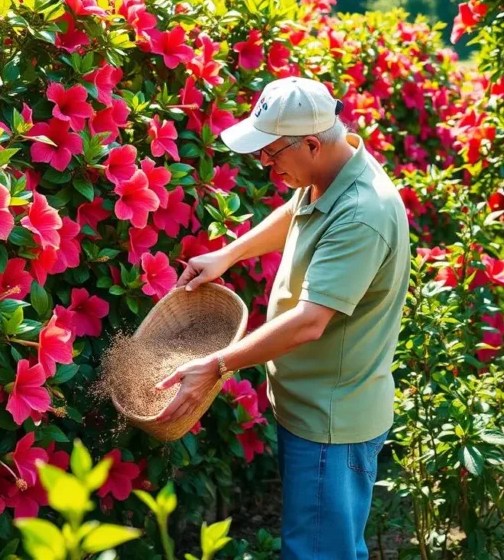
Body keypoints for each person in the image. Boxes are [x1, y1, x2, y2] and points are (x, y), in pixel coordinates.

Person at [155, 77, 410, 560]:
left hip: (330, 421)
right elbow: (295, 213)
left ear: (312, 142)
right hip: (314, 407)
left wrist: (216, 364)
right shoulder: (332, 172)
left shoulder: (361, 213)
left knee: (318, 553)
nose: (267, 167)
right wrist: (228, 255)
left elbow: (309, 322)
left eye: (271, 155)